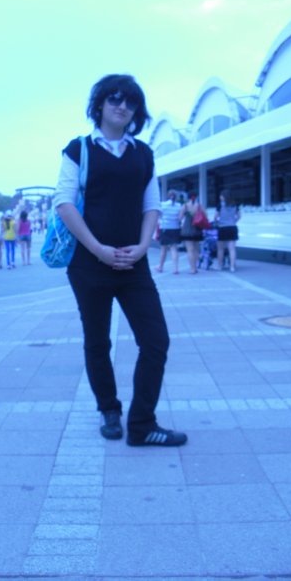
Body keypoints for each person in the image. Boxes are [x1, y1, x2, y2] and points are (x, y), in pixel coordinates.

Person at [54, 73, 187, 448]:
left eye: (130, 101)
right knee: (97, 342)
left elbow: (152, 205)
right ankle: (108, 410)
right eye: (114, 99)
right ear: (99, 105)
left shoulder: (143, 153)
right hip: (89, 264)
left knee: (156, 341)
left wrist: (143, 246)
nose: (122, 106)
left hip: (134, 265)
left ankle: (142, 424)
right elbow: (63, 203)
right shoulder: (79, 149)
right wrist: (98, 249)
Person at [214, 189, 241, 272]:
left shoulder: (220, 205)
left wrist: (217, 222)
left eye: (221, 195)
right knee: (232, 249)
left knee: (220, 249)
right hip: (232, 227)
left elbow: (215, 217)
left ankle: (219, 266)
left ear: (224, 196)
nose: (220, 197)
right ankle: (232, 267)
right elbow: (239, 216)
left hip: (222, 228)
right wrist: (234, 221)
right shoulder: (235, 204)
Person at [156, 190, 181, 274]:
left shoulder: (162, 204)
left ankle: (160, 267)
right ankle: (175, 268)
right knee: (174, 248)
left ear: (168, 196)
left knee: (163, 249)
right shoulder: (179, 205)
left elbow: (159, 215)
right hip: (175, 228)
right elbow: (179, 217)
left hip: (165, 228)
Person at [179, 191, 204, 274]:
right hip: (197, 229)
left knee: (190, 250)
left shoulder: (185, 206)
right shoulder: (199, 205)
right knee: (196, 249)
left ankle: (192, 268)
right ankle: (195, 267)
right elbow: (205, 215)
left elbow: (180, 217)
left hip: (187, 229)